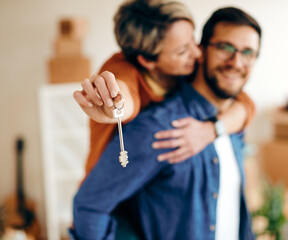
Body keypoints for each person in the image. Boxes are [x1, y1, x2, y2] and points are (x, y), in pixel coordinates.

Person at [72, 6, 262, 239]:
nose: (236, 62)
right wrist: (115, 107)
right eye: (225, 47)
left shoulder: (233, 116)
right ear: (206, 49)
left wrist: (215, 129)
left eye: (248, 53)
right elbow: (90, 206)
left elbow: (248, 105)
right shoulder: (159, 126)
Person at [73, 0, 255, 179]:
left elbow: (244, 103)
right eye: (182, 51)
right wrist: (113, 106)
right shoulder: (122, 69)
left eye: (193, 39)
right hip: (109, 194)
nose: (198, 53)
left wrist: (212, 130)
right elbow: (124, 95)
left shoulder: (187, 68)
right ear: (147, 61)